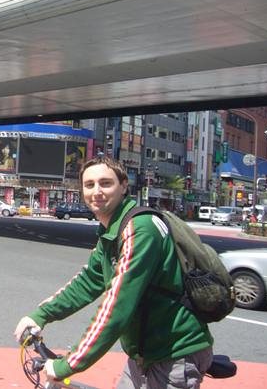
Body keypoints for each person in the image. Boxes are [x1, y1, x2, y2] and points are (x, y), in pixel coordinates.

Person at [14, 156, 213, 388]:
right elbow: (88, 282)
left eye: (106, 183)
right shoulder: (112, 230)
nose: (96, 191)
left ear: (124, 186)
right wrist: (40, 315)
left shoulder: (140, 228)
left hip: (175, 354)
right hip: (143, 354)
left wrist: (67, 365)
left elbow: (117, 306)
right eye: (89, 185)